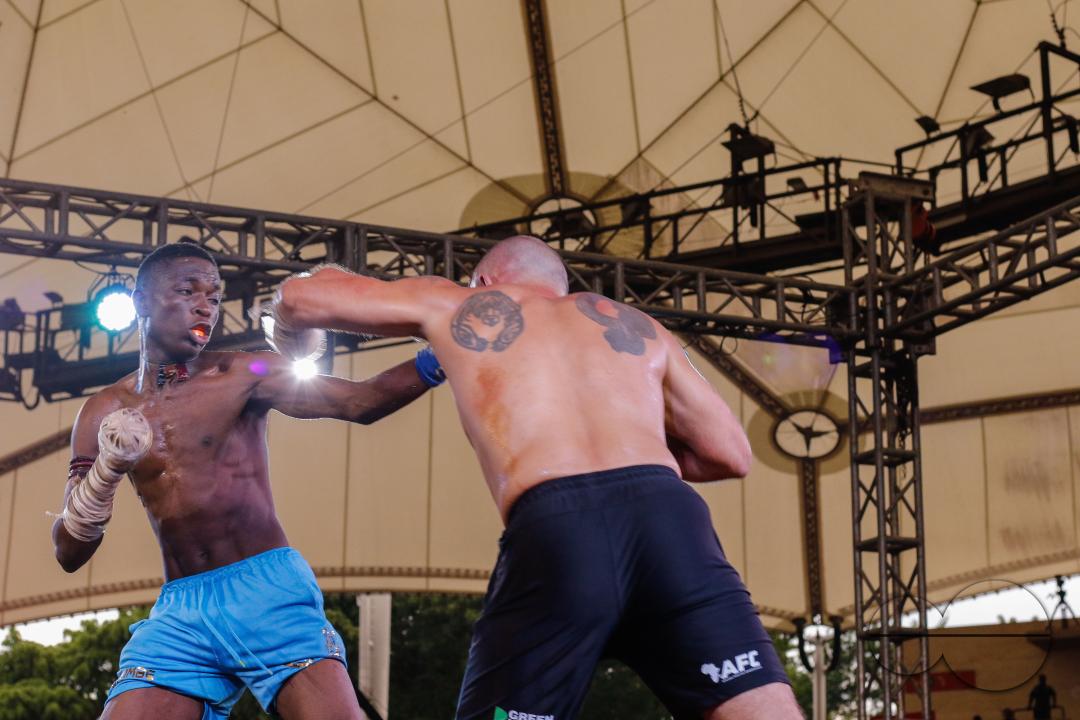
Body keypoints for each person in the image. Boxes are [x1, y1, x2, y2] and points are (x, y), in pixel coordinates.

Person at [269, 235, 802, 720]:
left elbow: (299, 297)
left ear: (484, 281)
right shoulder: (637, 327)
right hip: (669, 522)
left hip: (559, 524)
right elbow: (730, 453)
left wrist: (296, 346)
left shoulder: (461, 304)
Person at [52, 240, 445, 720]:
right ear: (140, 300)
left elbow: (359, 402)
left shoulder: (242, 373)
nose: (205, 305)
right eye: (188, 290)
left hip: (267, 592)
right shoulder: (103, 411)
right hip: (181, 614)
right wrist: (104, 476)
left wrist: (444, 351)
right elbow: (68, 554)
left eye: (214, 296)